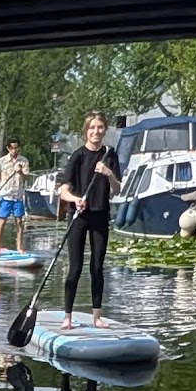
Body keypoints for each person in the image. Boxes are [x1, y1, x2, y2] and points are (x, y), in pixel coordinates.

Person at [54, 111, 120, 330]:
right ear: (86, 130)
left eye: (100, 127)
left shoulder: (110, 155)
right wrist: (76, 199)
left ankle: (97, 317)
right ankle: (67, 317)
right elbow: (63, 191)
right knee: (75, 267)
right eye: (92, 128)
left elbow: (118, 188)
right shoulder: (77, 156)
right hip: (79, 217)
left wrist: (108, 173)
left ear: (105, 130)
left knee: (97, 267)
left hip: (100, 216)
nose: (96, 131)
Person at [0, 139, 31, 252]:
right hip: (6, 196)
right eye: (12, 148)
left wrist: (20, 172)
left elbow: (27, 177)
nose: (14, 150)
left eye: (16, 148)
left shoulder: (23, 161)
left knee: (19, 221)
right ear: (8, 148)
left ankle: (19, 248)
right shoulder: (2, 161)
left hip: (18, 196)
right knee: (2, 222)